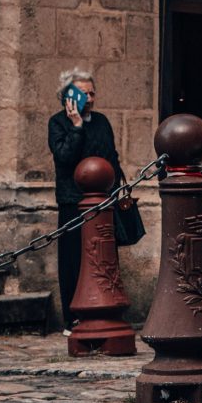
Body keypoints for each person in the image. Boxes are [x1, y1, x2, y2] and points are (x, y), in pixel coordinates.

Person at [46, 68, 123, 334]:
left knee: (104, 257)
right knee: (73, 260)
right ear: (67, 96)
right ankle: (73, 318)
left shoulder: (101, 121)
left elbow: (112, 157)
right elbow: (64, 157)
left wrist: (115, 190)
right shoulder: (58, 123)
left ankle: (105, 311)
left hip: (103, 201)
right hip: (73, 201)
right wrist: (77, 126)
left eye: (92, 93)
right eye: (83, 94)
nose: (89, 99)